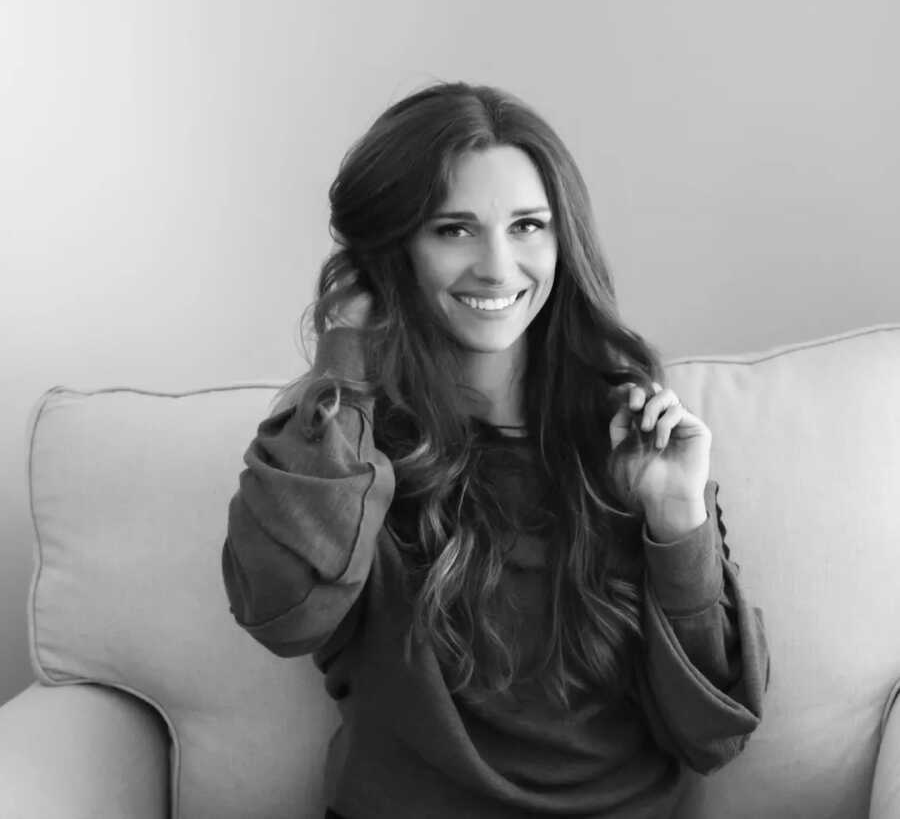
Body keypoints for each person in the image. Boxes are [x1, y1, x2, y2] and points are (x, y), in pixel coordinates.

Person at [222, 81, 769, 819]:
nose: (497, 265)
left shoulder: (628, 439)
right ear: (393, 252)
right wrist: (346, 358)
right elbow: (283, 614)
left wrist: (677, 524)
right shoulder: (339, 444)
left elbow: (713, 733)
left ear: (562, 239)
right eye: (453, 229)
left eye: (527, 226)